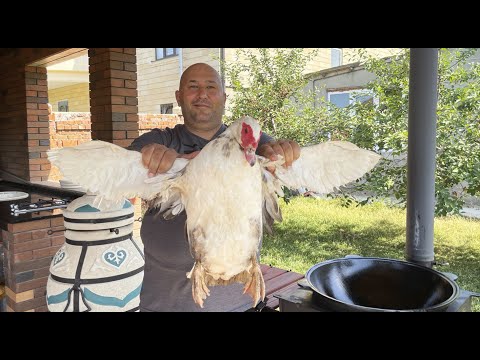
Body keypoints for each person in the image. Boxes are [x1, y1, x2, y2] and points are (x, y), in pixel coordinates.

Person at [128, 63, 300, 311]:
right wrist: (145, 159)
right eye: (193, 87)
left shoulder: (252, 143)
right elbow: (121, 172)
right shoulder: (159, 141)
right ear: (178, 96)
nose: (202, 94)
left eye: (211, 87)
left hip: (239, 304)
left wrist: (285, 154)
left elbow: (278, 160)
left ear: (224, 97)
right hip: (165, 303)